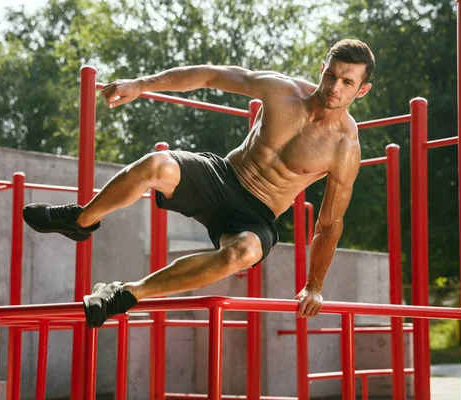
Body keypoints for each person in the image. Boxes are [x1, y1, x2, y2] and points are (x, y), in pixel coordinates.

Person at [23, 39, 374, 328]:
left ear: (361, 90)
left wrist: (314, 286)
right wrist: (141, 85)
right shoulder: (282, 91)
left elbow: (329, 223)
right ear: (322, 69)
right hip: (221, 176)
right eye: (331, 75)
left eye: (347, 83)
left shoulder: (344, 147)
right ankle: (82, 219)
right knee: (158, 164)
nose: (334, 87)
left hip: (256, 215)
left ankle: (127, 293)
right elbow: (211, 76)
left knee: (245, 252)